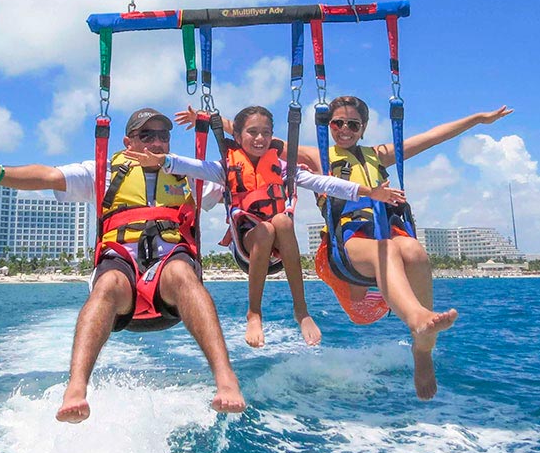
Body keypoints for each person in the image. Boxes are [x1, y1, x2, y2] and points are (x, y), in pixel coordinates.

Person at [178, 100, 512, 400]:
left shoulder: (378, 155)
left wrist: (478, 119)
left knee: (414, 251)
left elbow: (434, 137)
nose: (344, 130)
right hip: (341, 246)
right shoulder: (315, 155)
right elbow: (251, 137)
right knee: (388, 251)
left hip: (382, 232)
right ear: (327, 127)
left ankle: (422, 349)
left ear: (363, 128)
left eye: (353, 124)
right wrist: (206, 119)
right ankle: (416, 318)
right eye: (337, 123)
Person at [0, 108, 245, 423]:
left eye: (163, 135)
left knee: (182, 273)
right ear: (128, 142)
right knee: (107, 284)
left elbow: (246, 177)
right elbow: (48, 176)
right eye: (147, 135)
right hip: (122, 269)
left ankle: (225, 379)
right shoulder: (105, 170)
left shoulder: (189, 171)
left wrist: (225, 129)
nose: (157, 142)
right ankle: (76, 388)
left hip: (171, 274)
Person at [126, 105, 404, 350]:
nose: (259, 139)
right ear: (238, 136)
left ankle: (301, 311)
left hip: (278, 249)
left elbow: (325, 183)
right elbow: (195, 167)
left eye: (265, 133)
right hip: (248, 243)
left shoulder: (283, 168)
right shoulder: (226, 167)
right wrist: (164, 161)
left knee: (281, 220)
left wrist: (368, 191)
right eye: (252, 132)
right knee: (266, 229)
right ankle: (254, 313)